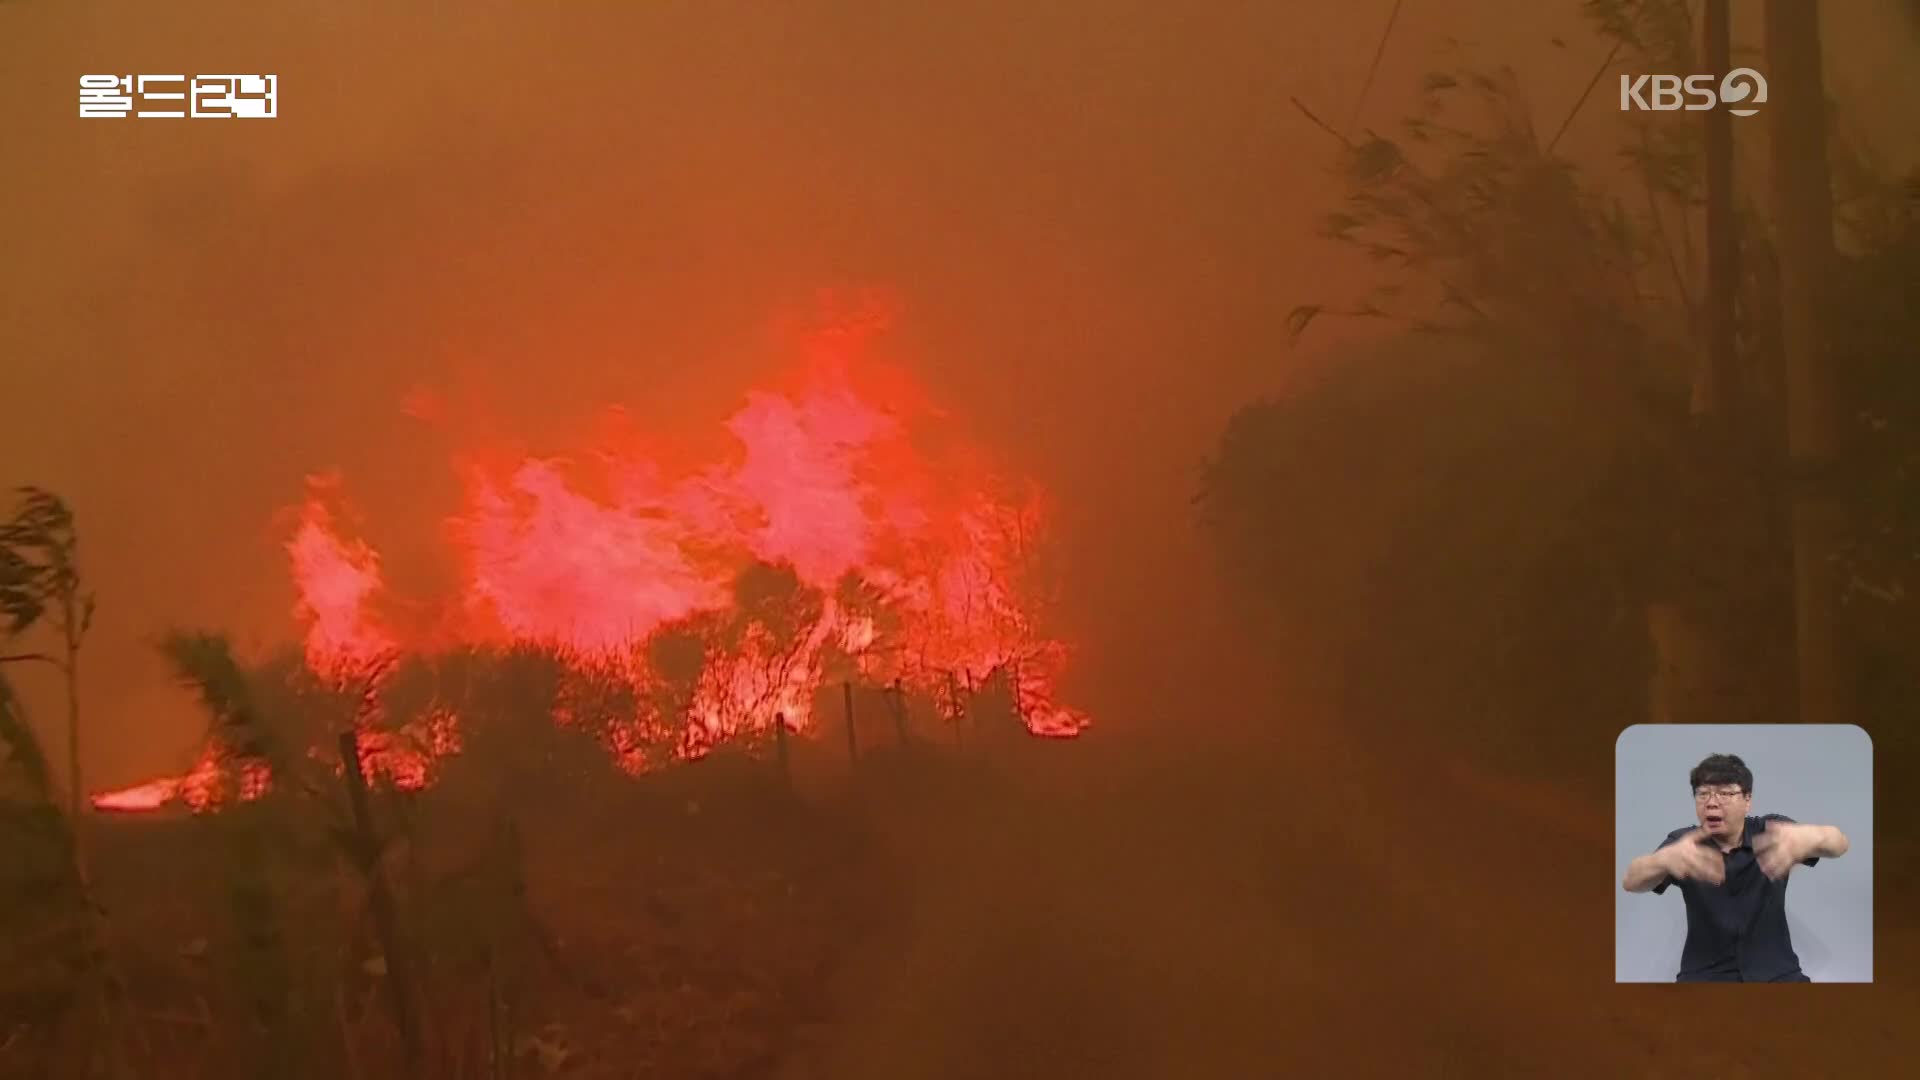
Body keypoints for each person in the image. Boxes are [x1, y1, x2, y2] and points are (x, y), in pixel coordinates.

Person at [1620, 752, 1850, 982]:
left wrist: (1812, 837)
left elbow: (1839, 843)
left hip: (1778, 975)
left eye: (1725, 793)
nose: (1712, 802)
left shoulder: (1771, 831)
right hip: (1705, 977)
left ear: (1747, 800)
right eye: (1702, 794)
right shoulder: (1684, 843)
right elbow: (1631, 881)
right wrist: (1662, 860)